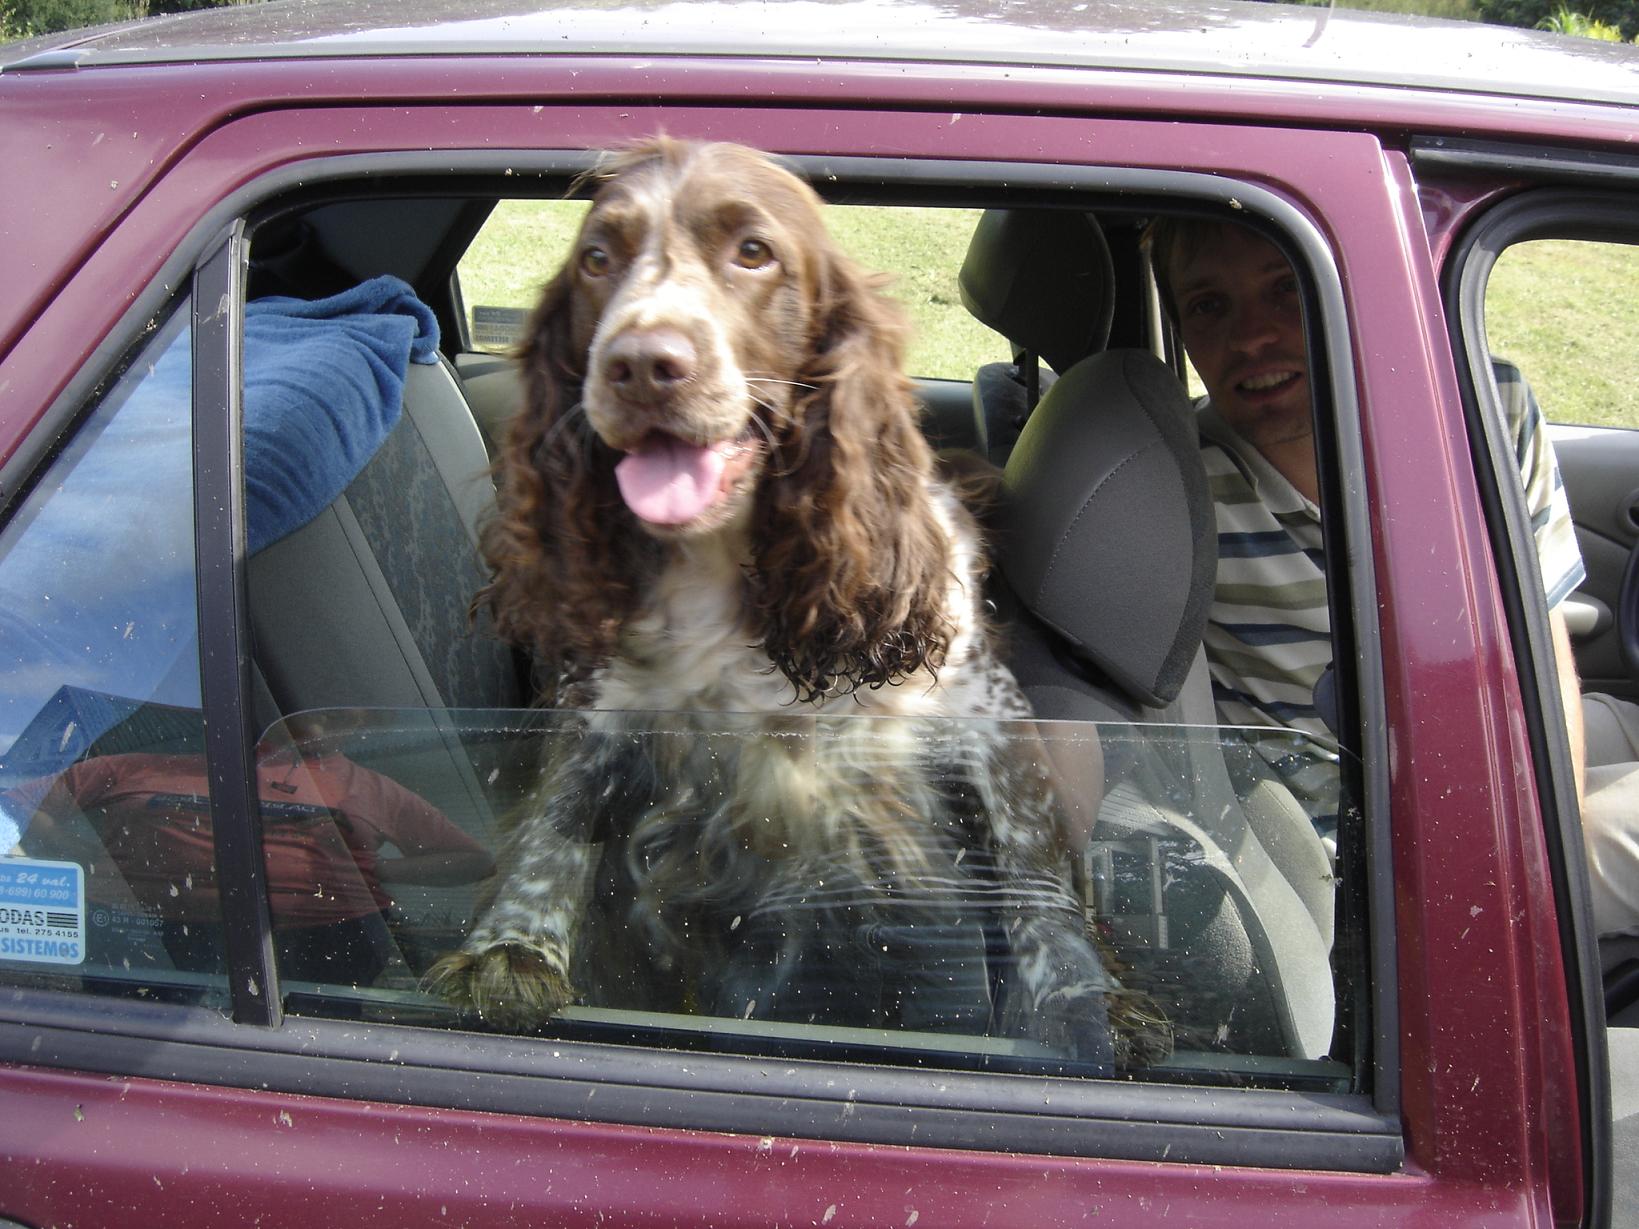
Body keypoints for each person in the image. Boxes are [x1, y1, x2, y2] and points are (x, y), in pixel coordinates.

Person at [1145, 215, 1639, 938]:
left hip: (1483, 755)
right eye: (1209, 305)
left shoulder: (1482, 408)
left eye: (1286, 290)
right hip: (1369, 847)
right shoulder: (1175, 486)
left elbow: (1538, 637)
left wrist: (1544, 814)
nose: (1250, 335)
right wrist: (1524, 866)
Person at [11, 711, 495, 986]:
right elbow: (21, 802)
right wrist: (81, 854)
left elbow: (474, 860)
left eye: (337, 716)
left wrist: (380, 871)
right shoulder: (143, 763)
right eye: (309, 714)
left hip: (318, 944)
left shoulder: (365, 787)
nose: (319, 726)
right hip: (140, 933)